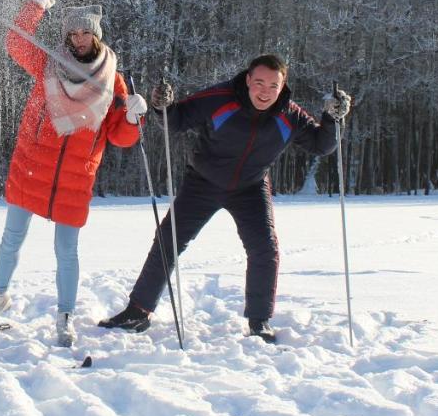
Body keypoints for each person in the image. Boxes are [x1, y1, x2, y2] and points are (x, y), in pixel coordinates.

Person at [98, 54, 352, 343]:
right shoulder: (220, 98)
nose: (264, 92)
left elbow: (322, 145)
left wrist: (333, 118)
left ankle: (259, 322)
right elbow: (175, 121)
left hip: (251, 188)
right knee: (167, 241)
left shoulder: (289, 115)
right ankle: (138, 311)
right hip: (203, 182)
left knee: (264, 250)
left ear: (282, 87)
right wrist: (162, 105)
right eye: (259, 83)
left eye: (273, 86)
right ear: (247, 80)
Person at [0, 0, 147, 347]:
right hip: (31, 166)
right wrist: (37, 4)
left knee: (66, 251)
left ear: (97, 36)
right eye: (73, 33)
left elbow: (119, 137)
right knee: (11, 240)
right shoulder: (49, 62)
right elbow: (15, 42)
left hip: (74, 178)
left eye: (85, 32)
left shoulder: (113, 81)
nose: (79, 38)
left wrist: (132, 118)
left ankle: (65, 315)